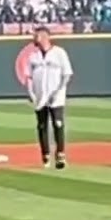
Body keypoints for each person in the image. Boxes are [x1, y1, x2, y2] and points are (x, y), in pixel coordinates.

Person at [24, 27, 74, 168]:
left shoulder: (59, 53)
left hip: (56, 97)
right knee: (42, 126)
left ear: (44, 36)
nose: (34, 38)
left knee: (58, 124)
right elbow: (28, 77)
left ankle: (60, 155)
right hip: (40, 97)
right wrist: (31, 93)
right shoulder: (33, 56)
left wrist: (58, 91)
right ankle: (45, 155)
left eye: (36, 35)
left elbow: (67, 74)